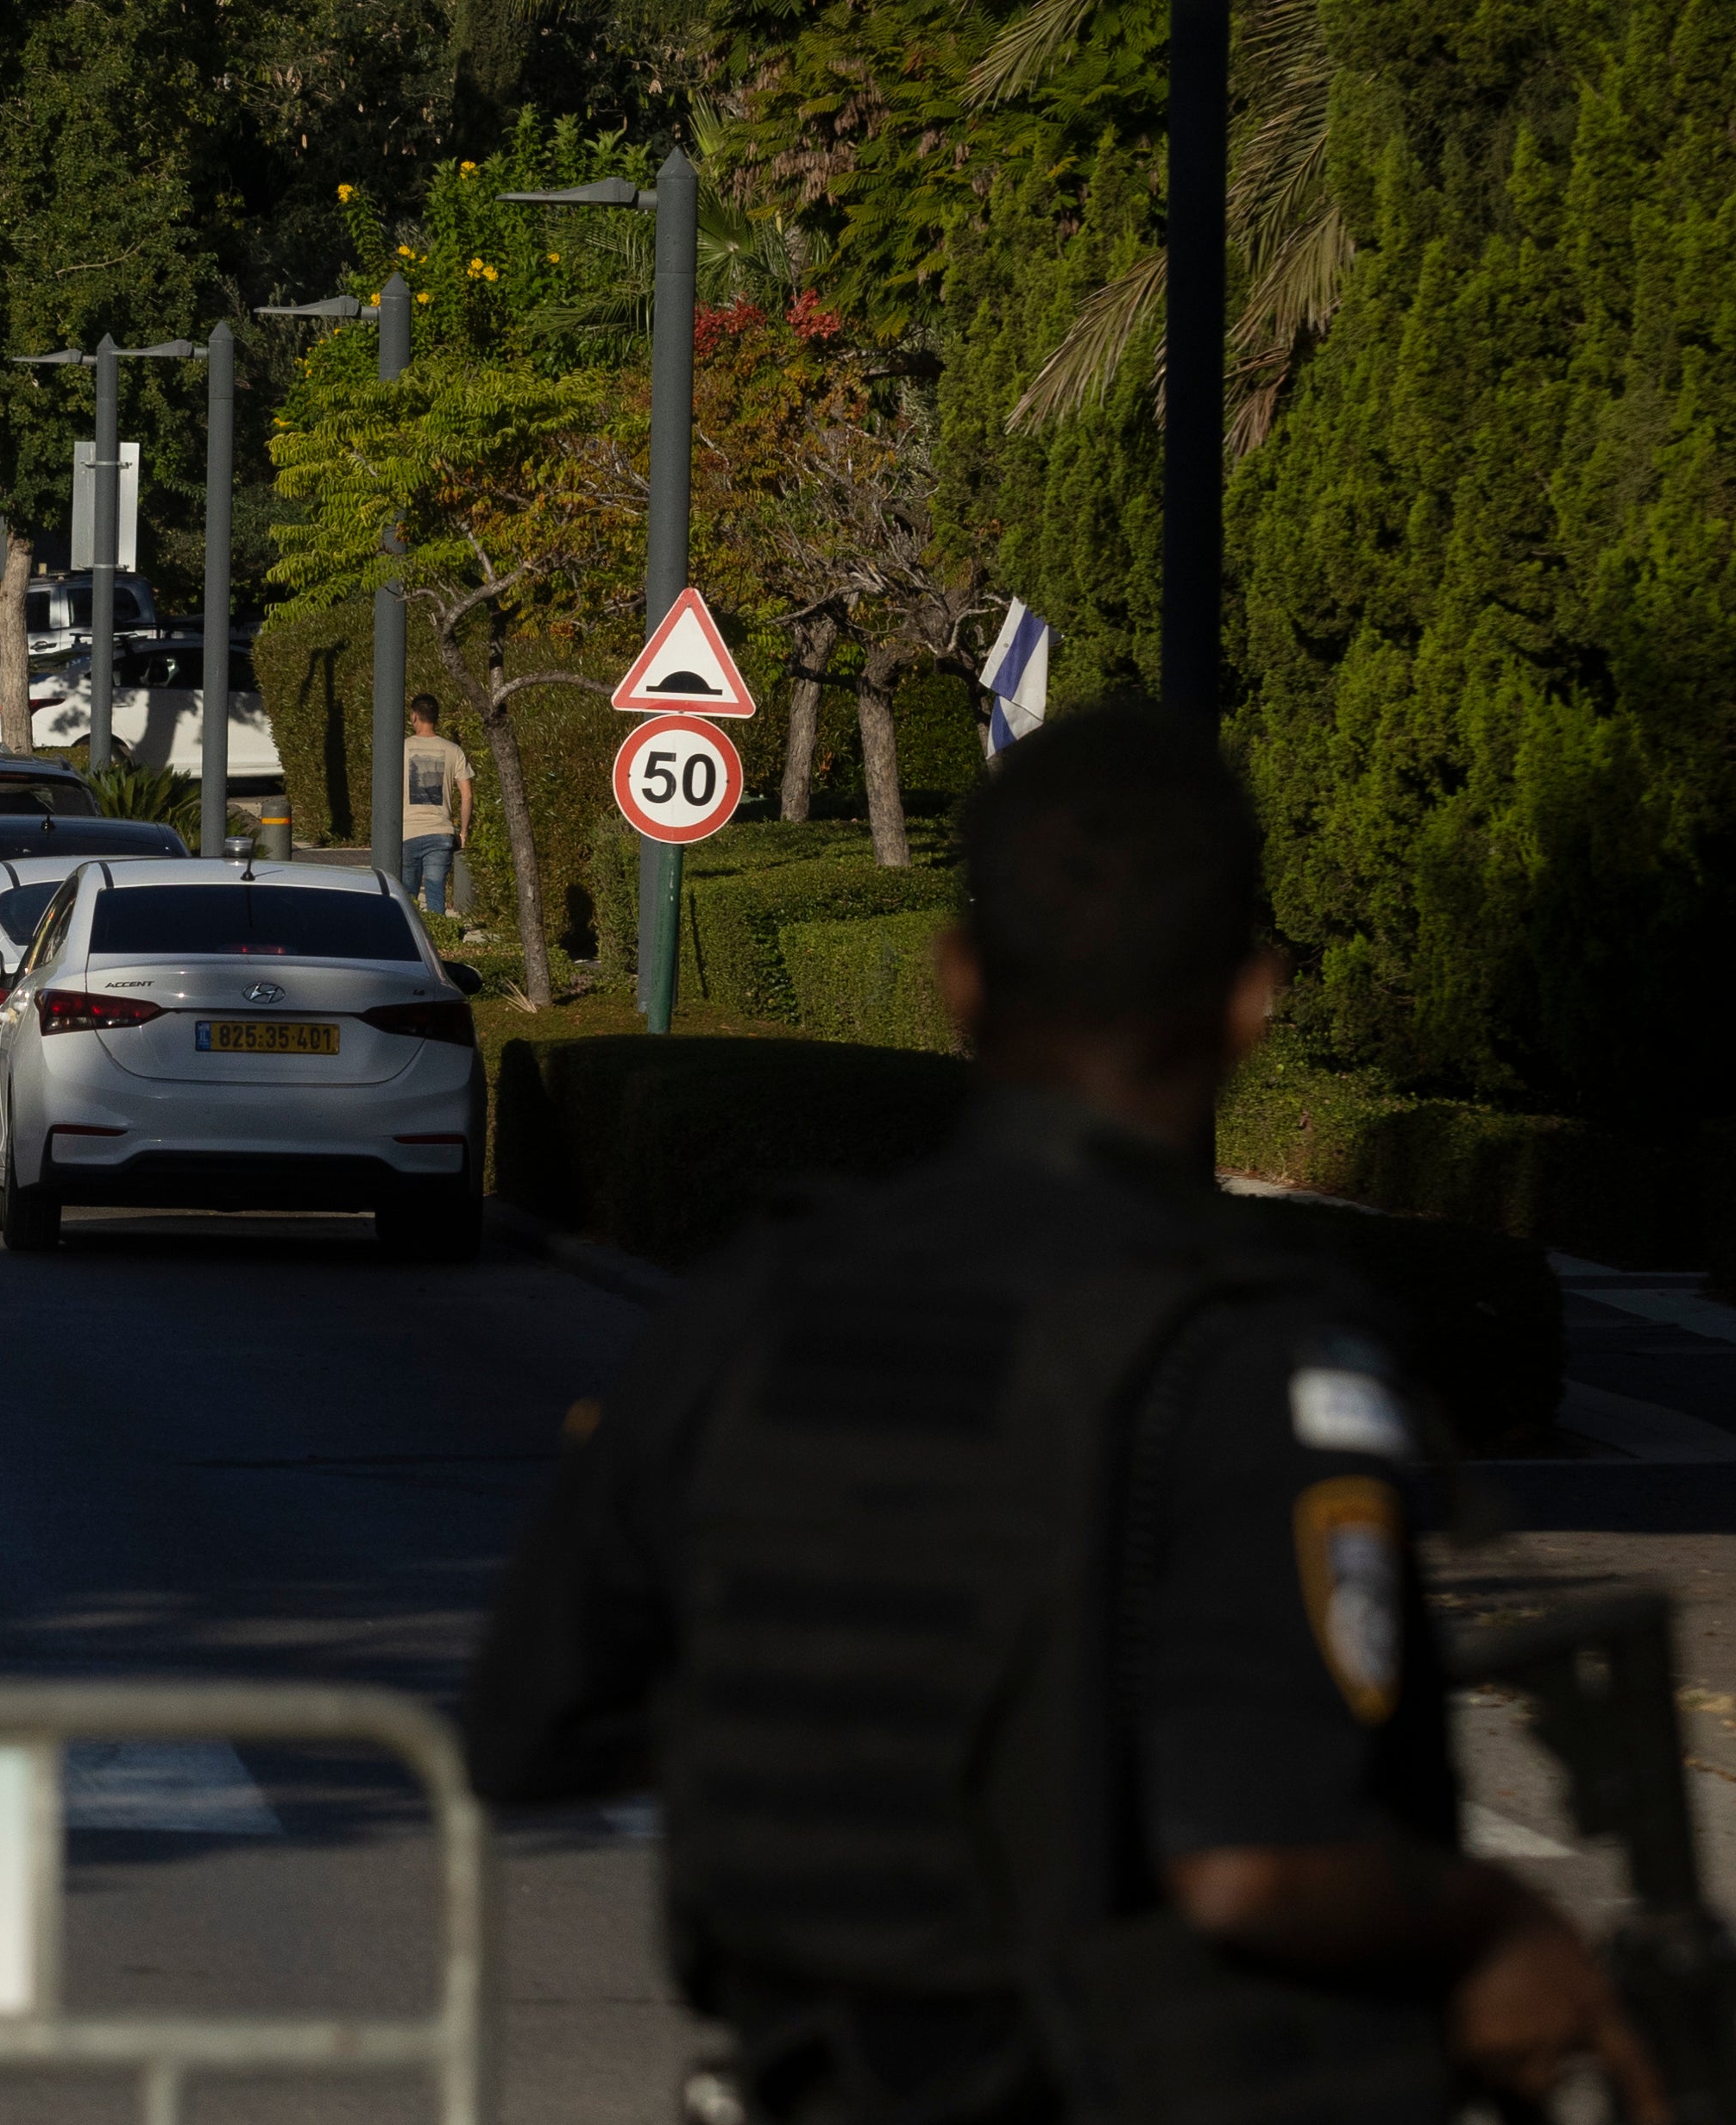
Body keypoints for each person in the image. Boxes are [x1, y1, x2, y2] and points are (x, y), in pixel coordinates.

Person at [463, 707, 1664, 2125]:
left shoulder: (759, 1305)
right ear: (1248, 1002)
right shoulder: (1251, 1353)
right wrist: (1499, 1928)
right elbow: (1261, 1862)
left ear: (960, 982)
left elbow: (528, 1725)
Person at [399, 695, 474, 915]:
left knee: (408, 897)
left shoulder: (401, 748)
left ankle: (410, 944)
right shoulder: (454, 751)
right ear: (436, 718)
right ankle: (439, 941)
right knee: (435, 894)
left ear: (414, 716)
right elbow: (467, 795)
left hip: (407, 832)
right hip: (441, 833)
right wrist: (463, 832)